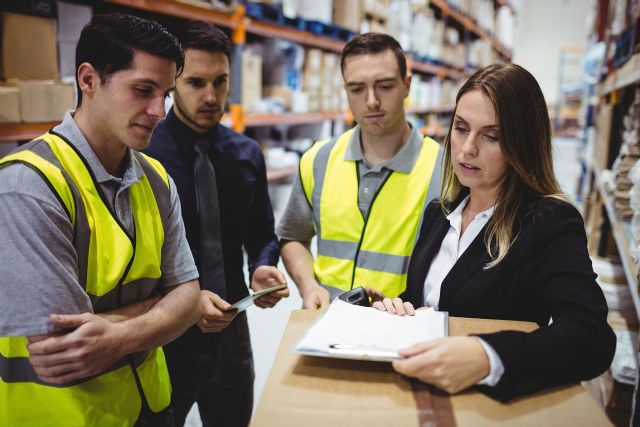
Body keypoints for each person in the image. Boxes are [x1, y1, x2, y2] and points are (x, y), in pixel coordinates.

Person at [0, 13, 203, 427]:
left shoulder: (156, 179)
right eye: (143, 90)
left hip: (151, 406)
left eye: (165, 93)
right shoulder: (29, 185)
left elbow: (190, 296)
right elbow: (66, 346)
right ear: (89, 80)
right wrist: (162, 307)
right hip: (64, 416)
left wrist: (123, 329)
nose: (159, 110)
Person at [373, 63, 616, 401]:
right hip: (418, 391)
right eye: (461, 128)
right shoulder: (439, 213)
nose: (467, 148)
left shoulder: (549, 222)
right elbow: (434, 299)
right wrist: (401, 310)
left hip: (486, 407)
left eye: (492, 136)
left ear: (522, 144)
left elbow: (590, 337)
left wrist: (488, 356)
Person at [144, 20, 288, 427]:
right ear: (172, 83)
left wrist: (261, 265)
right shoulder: (144, 157)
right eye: (196, 83)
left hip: (231, 326)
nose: (211, 97)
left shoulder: (245, 154)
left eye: (221, 82)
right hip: (165, 334)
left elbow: (262, 233)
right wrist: (186, 304)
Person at [278, 33, 442, 309]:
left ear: (407, 85)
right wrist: (309, 286)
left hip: (405, 329)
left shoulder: (442, 169)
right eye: (356, 89)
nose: (371, 101)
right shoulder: (318, 160)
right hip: (328, 324)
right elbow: (293, 236)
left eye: (384, 86)